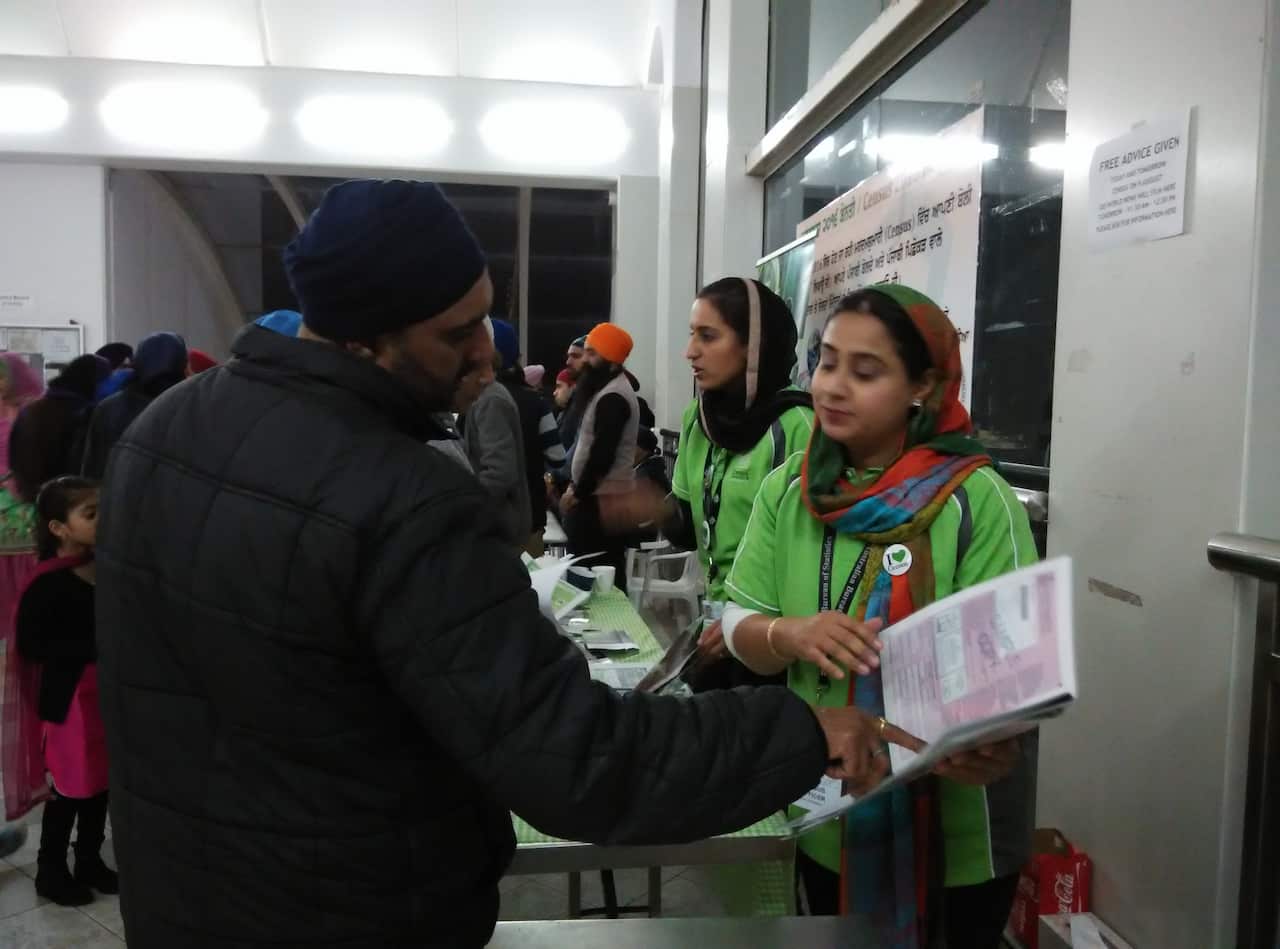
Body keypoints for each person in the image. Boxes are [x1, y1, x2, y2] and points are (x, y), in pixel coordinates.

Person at [93, 178, 904, 948]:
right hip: (351, 911)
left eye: (486, 319)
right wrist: (797, 733)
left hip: (182, 901)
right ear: (363, 336)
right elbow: (576, 757)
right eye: (456, 333)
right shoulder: (401, 498)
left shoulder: (160, 433)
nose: (487, 354)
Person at [722, 286, 1037, 947]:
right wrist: (789, 634)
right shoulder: (792, 488)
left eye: (865, 372)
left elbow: (1016, 675)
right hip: (825, 808)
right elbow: (738, 629)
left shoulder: (977, 500)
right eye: (827, 361)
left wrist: (992, 734)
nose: (832, 386)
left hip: (957, 840)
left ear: (923, 385)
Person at [641, 277, 814, 689]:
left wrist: (750, 622)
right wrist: (649, 506)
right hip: (715, 629)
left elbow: (807, 559)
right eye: (691, 335)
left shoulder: (798, 428)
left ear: (753, 346)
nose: (690, 352)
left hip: (774, 646)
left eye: (708, 336)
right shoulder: (699, 419)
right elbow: (687, 530)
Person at [15, 476, 115, 906]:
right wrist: (91, 646)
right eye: (91, 514)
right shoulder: (47, 582)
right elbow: (32, 645)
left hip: (105, 696)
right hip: (67, 703)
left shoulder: (107, 568)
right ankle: (50, 869)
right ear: (59, 528)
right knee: (70, 790)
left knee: (101, 784)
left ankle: (89, 859)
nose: (103, 520)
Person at [560, 322, 640, 590]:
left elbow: (602, 456)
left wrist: (577, 492)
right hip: (596, 499)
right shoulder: (605, 390)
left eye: (593, 354)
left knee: (598, 578)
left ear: (613, 360)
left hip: (601, 503)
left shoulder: (614, 397)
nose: (585, 360)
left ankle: (609, 628)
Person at [492, 320, 567, 556]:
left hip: (486, 519)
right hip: (529, 515)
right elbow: (557, 458)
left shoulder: (474, 401)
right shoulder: (536, 404)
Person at [458, 323, 532, 550]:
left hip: (500, 527)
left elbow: (500, 471)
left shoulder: (490, 400)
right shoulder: (484, 397)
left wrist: (465, 510)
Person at [80, 332, 188, 480]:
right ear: (181, 364)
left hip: (114, 496)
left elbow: (93, 467)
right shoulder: (190, 407)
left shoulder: (108, 408)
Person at [8, 354, 108, 503]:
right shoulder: (83, 414)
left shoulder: (31, 410)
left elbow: (14, 458)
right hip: (64, 505)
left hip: (27, 501)